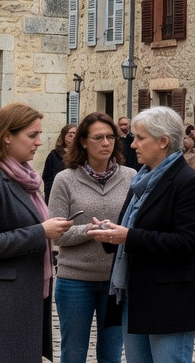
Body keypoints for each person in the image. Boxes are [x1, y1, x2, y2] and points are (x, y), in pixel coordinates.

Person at [0, 103, 75, 362]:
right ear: (7, 136)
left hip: (22, 299)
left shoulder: (24, 178)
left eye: (39, 135)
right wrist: (40, 231)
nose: (40, 142)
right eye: (32, 135)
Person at [87, 106, 195, 363]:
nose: (132, 145)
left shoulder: (189, 182)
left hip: (170, 301)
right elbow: (131, 230)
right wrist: (111, 233)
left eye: (140, 138)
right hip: (136, 295)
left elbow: (188, 243)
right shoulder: (142, 182)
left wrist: (128, 236)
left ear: (163, 141)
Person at [50, 112, 136, 363]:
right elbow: (57, 234)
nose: (106, 143)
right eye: (98, 137)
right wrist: (89, 230)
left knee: (111, 355)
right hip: (75, 280)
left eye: (110, 137)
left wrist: (119, 232)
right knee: (73, 353)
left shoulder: (131, 177)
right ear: (83, 141)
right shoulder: (64, 179)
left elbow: (136, 225)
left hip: (116, 281)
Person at [42, 124, 76, 203]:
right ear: (64, 136)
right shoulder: (54, 155)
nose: (73, 137)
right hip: (58, 196)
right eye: (70, 134)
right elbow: (47, 178)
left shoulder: (82, 155)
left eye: (75, 134)